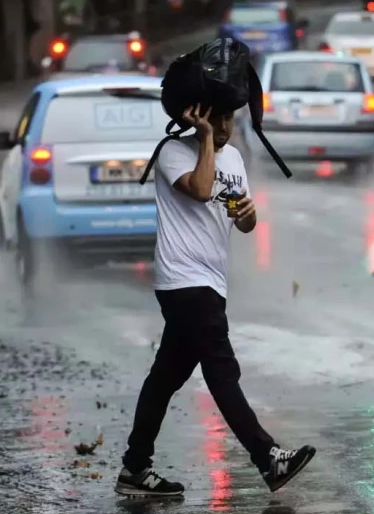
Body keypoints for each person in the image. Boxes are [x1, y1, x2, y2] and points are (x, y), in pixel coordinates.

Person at [118, 104, 316, 499]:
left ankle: (135, 468)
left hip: (210, 281)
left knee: (165, 378)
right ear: (199, 119)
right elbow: (202, 188)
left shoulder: (235, 158)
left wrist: (248, 213)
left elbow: (241, 220)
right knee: (222, 370)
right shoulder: (174, 152)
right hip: (183, 281)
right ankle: (267, 456)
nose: (224, 127)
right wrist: (206, 138)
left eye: (228, 120)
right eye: (217, 120)